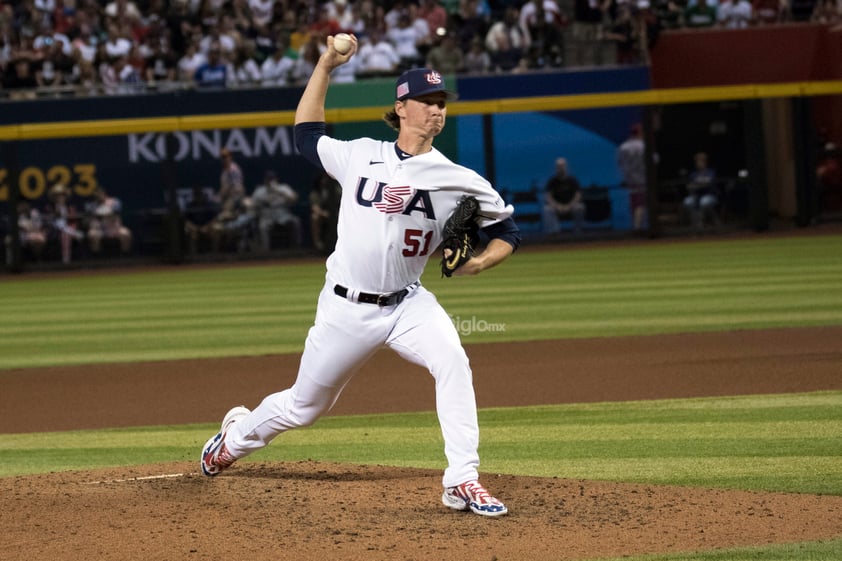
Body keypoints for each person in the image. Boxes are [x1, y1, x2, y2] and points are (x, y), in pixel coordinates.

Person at [200, 35, 520, 518]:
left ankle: (462, 480)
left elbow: (508, 232)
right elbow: (305, 134)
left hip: (409, 303)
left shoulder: (458, 178)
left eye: (442, 103)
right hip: (346, 307)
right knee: (304, 408)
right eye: (427, 102)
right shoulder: (360, 155)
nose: (437, 110)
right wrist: (326, 64)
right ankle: (234, 438)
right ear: (401, 107)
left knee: (453, 360)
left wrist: (479, 262)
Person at [251, 169, 302, 251]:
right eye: (268, 179)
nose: (270, 182)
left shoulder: (283, 188)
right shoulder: (260, 190)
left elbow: (294, 198)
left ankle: (296, 249)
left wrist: (278, 191)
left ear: (276, 179)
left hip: (283, 215)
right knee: (262, 227)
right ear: (265, 180)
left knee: (296, 222)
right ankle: (265, 252)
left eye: (272, 179)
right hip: (267, 217)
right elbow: (251, 203)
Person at [542, 157, 586, 235]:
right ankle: (555, 234)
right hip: (557, 208)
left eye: (562, 166)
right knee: (547, 209)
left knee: (580, 207)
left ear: (566, 166)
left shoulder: (572, 180)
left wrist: (569, 206)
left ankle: (578, 233)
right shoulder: (552, 181)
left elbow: (578, 196)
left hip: (571, 206)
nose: (560, 168)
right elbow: (548, 197)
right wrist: (558, 206)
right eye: (558, 166)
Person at [85, 186, 133, 256]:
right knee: (92, 234)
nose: (99, 196)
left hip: (114, 228)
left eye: (100, 194)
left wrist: (105, 215)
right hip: (99, 229)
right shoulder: (91, 205)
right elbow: (87, 220)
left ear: (104, 194)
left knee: (126, 234)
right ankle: (97, 258)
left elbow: (116, 213)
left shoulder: (114, 202)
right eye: (96, 195)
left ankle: (125, 256)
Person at [617, 123, 647, 231]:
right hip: (643, 178)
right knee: (640, 203)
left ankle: (636, 225)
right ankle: (637, 227)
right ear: (640, 132)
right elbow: (654, 160)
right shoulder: (644, 145)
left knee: (634, 203)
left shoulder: (623, 146)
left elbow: (620, 163)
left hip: (629, 178)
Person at [682, 151, 719, 231]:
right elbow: (689, 186)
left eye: (701, 161)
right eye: (698, 161)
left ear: (705, 162)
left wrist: (697, 185)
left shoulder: (710, 172)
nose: (699, 163)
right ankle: (695, 224)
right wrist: (699, 185)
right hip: (696, 196)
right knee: (688, 201)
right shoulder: (694, 174)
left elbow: (708, 183)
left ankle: (702, 223)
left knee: (704, 202)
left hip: (710, 196)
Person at [309, 170, 342, 252]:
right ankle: (318, 243)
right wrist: (325, 214)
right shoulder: (316, 193)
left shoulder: (338, 189)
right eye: (323, 179)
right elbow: (315, 208)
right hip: (324, 214)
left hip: (339, 213)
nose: (325, 181)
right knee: (315, 217)